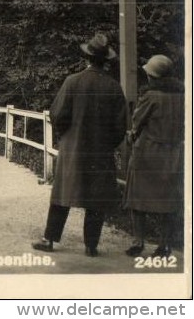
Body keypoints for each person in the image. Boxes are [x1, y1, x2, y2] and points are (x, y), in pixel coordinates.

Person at [31, 33, 128, 257]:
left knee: (62, 194)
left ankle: (50, 239)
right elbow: (120, 126)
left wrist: (67, 135)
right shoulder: (114, 87)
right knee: (96, 198)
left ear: (87, 58)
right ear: (105, 61)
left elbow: (57, 114)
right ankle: (90, 246)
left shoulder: (72, 82)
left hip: (73, 148)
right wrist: (106, 144)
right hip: (100, 151)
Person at [123, 55, 184, 258]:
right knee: (166, 200)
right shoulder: (183, 96)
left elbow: (137, 121)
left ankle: (138, 241)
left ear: (153, 76)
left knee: (137, 198)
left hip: (147, 153)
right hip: (172, 153)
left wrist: (132, 136)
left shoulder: (151, 96)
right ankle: (164, 245)